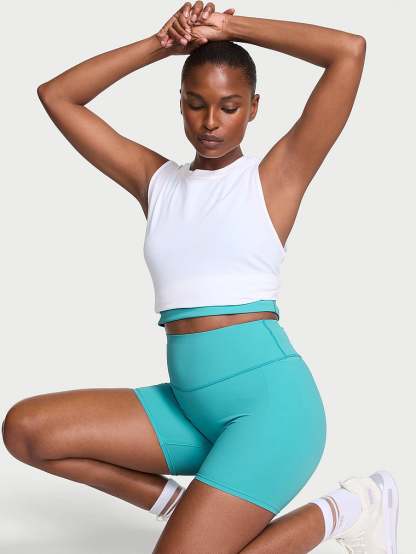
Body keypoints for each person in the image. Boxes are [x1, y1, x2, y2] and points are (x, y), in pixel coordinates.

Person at [2, 2, 399, 553]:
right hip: (190, 409)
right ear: (181, 104)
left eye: (229, 107)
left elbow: (348, 51)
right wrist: (161, 45)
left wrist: (232, 27)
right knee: (27, 430)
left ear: (254, 108)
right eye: (196, 104)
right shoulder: (157, 183)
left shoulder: (275, 178)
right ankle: (177, 507)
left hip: (272, 412)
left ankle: (352, 508)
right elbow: (57, 96)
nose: (211, 122)